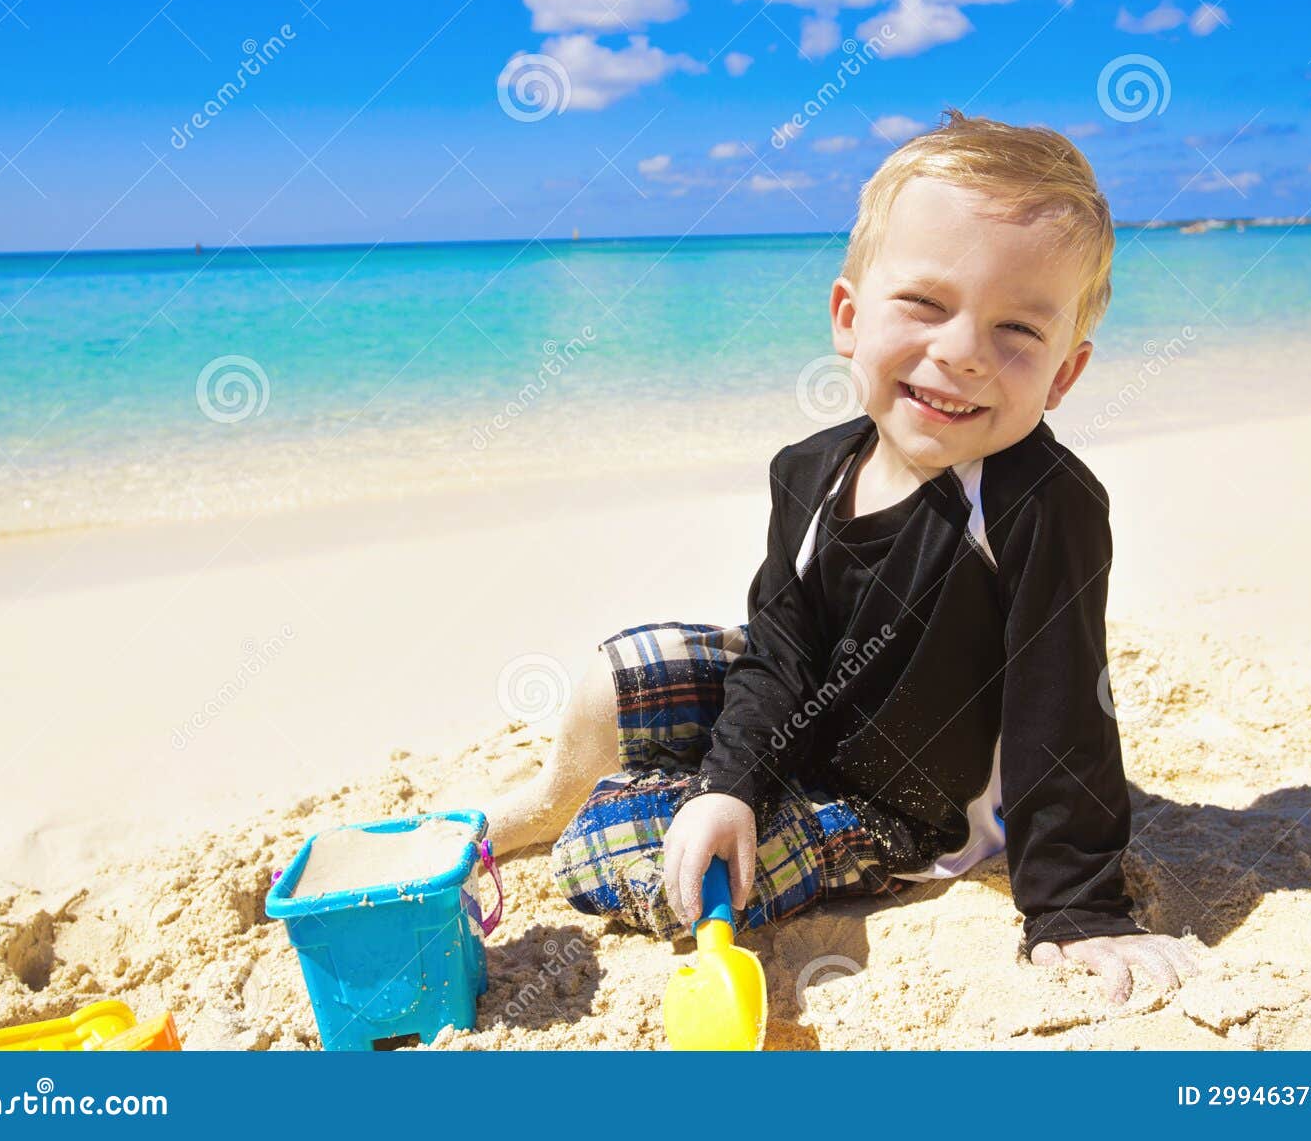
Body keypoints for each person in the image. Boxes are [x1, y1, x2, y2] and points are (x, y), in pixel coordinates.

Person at [484, 109, 1199, 1005]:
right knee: (619, 672)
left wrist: (1076, 907)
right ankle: (553, 796)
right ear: (849, 318)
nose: (964, 352)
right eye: (928, 304)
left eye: (1018, 329)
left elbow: (1065, 708)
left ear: (1064, 374)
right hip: (807, 721)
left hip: (905, 811)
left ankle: (620, 808)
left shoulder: (1038, 506)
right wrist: (734, 783)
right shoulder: (811, 472)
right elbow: (781, 651)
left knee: (608, 851)